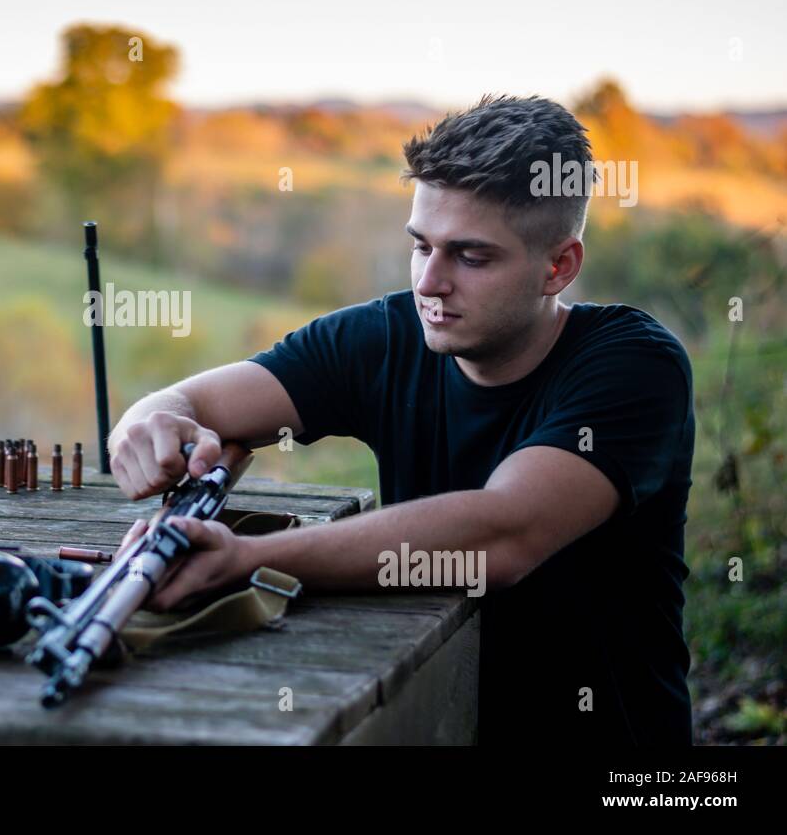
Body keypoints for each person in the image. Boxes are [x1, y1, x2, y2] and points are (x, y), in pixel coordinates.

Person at [107, 95, 695, 745]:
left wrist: (249, 557)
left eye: (471, 257)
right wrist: (149, 423)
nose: (429, 282)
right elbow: (195, 403)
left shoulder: (635, 365)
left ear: (558, 267)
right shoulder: (388, 335)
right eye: (421, 247)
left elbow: (502, 536)